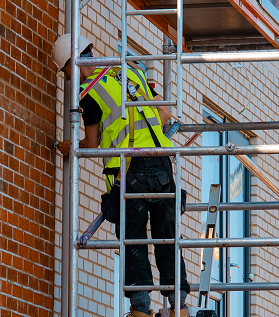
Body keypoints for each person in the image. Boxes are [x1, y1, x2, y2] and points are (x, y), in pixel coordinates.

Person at [53, 34, 190, 317]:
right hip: (162, 163)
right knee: (167, 236)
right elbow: (164, 115)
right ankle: (180, 308)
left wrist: (69, 147)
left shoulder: (89, 92)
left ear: (74, 64)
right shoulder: (130, 71)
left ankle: (140, 310)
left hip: (131, 170)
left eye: (67, 74)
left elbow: (90, 144)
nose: (70, 80)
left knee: (132, 238)